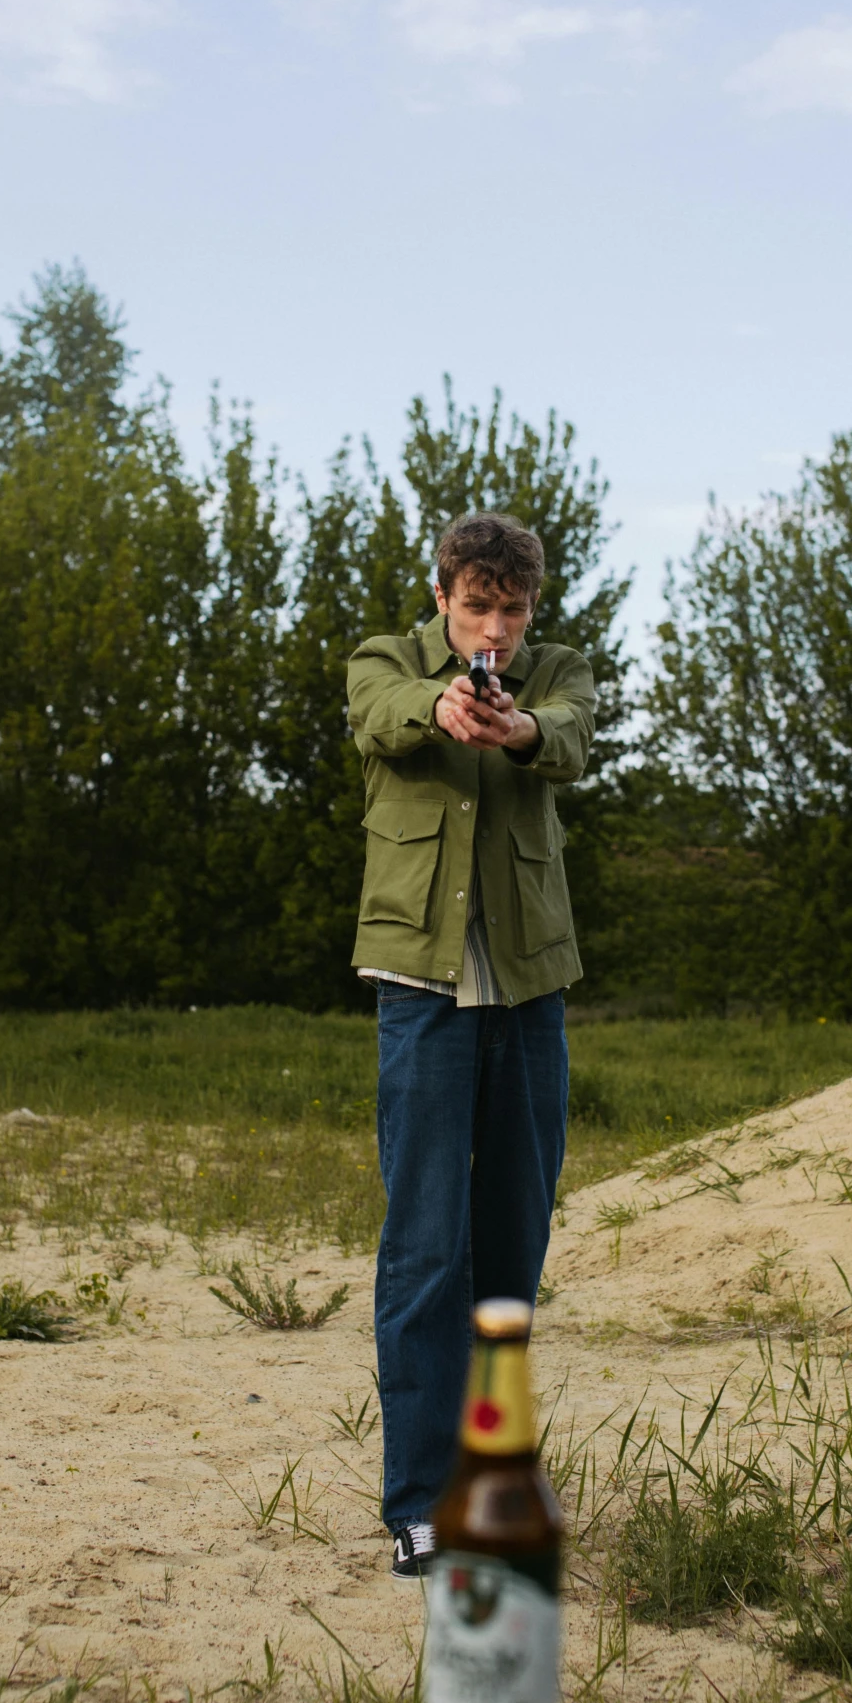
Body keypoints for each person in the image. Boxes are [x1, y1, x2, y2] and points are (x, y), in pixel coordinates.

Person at [347, 511, 596, 1576]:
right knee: (424, 1249)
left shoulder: (557, 669)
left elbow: (572, 736)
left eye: (513, 605)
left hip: (531, 992)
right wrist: (441, 704)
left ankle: (495, 1477)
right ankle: (416, 1501)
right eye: (477, 603)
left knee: (512, 1249)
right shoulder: (388, 659)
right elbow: (380, 716)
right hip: (422, 991)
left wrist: (521, 729)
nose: (495, 625)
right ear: (443, 593)